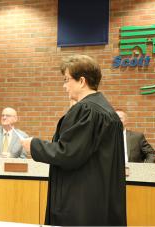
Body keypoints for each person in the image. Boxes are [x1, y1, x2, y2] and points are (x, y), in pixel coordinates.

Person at [21, 55, 127, 226]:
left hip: (80, 200)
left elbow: (68, 153)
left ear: (82, 81)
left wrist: (33, 145)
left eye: (67, 80)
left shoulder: (86, 110)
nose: (64, 86)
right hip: (101, 198)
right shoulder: (108, 112)